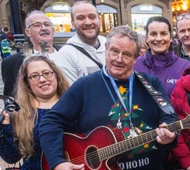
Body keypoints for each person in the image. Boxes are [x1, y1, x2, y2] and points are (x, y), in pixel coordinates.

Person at [38, 25, 179, 170]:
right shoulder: (85, 86)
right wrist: (57, 162)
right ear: (106, 49)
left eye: (126, 54)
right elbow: (50, 122)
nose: (119, 59)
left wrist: (171, 133)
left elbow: (170, 117)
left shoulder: (151, 83)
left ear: (136, 57)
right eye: (114, 51)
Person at [0, 55, 71, 170]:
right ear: (27, 82)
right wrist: (2, 129)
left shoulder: (74, 103)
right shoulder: (19, 112)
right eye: (34, 76)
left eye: (47, 73)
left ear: (56, 75)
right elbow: (11, 157)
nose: (42, 79)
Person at [2, 11, 62, 97]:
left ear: (53, 30)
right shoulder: (12, 63)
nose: (44, 28)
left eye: (47, 24)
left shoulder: (69, 53)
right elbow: (11, 100)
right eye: (37, 25)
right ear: (28, 32)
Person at [50, 2, 108, 84]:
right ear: (73, 23)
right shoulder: (66, 55)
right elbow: (72, 94)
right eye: (81, 18)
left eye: (92, 17)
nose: (88, 22)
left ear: (99, 20)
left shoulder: (111, 47)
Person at [135, 16, 190, 97]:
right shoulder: (135, 66)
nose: (158, 38)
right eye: (153, 34)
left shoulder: (186, 67)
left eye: (163, 33)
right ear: (147, 38)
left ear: (171, 37)